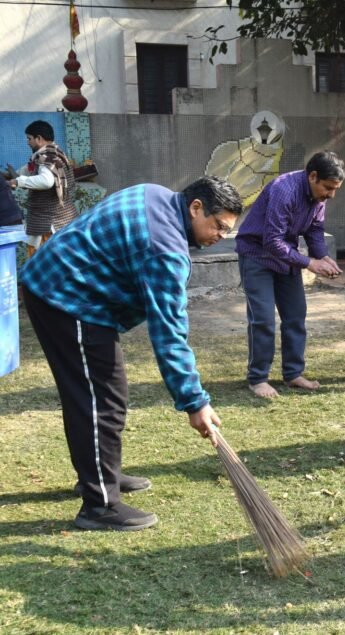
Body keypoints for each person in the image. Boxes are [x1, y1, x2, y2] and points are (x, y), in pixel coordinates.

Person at [20, 176, 243, 531]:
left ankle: (100, 472)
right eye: (218, 226)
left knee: (106, 394)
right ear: (195, 207)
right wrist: (194, 402)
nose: (221, 236)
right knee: (99, 401)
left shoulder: (156, 194)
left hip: (72, 289)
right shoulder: (165, 248)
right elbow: (169, 332)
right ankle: (100, 505)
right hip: (65, 296)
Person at [235, 151, 344, 399]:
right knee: (263, 319)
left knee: (295, 315)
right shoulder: (284, 190)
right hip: (257, 255)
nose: (331, 194)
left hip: (286, 258)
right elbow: (272, 240)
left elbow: (315, 229)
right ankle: (258, 378)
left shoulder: (319, 196)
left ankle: (293, 374)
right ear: (313, 176)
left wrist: (323, 256)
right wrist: (309, 263)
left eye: (335, 189)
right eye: (328, 188)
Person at [5, 120, 78, 256]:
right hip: (60, 220)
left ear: (39, 138)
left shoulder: (47, 157)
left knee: (44, 263)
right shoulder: (55, 154)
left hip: (49, 224)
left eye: (29, 138)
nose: (28, 142)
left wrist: (18, 182)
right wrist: (12, 175)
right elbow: (29, 170)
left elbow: (46, 181)